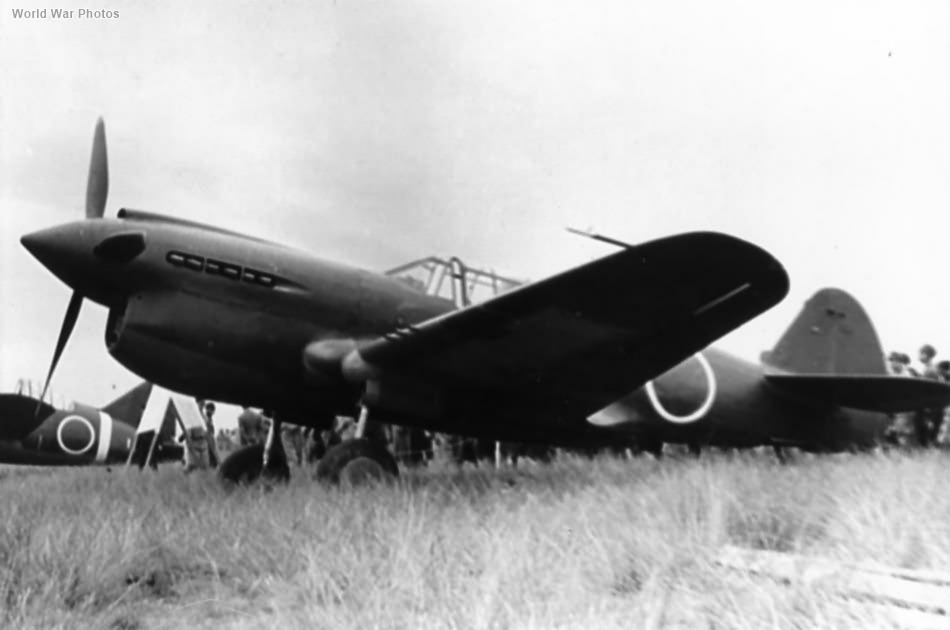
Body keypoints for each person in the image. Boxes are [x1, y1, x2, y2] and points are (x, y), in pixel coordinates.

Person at [202, 401, 220, 468]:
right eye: (212, 410)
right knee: (212, 461)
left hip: (210, 441)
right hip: (207, 441)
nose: (213, 412)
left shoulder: (209, 418)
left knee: (213, 461)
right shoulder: (205, 418)